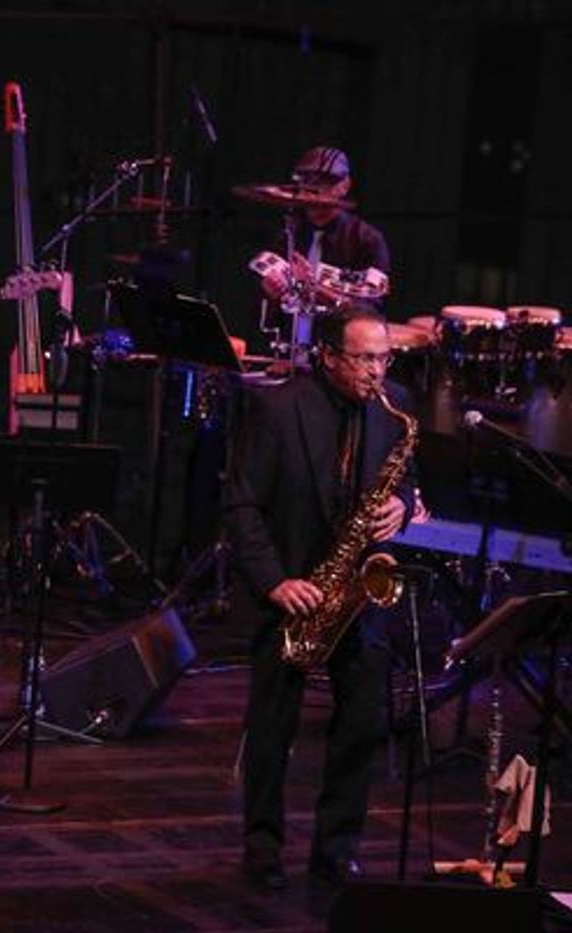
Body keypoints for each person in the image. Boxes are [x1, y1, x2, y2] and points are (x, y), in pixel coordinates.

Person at [223, 304, 415, 890]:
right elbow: (240, 505)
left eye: (384, 358)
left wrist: (402, 505)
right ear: (328, 356)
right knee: (272, 729)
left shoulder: (394, 409)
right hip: (290, 591)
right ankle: (262, 849)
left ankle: (337, 849)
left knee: (361, 727)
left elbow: (406, 481)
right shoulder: (276, 408)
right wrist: (275, 581)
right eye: (364, 359)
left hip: (357, 592)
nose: (376, 372)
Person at [259, 146, 391, 309]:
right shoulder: (289, 231)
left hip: (338, 325)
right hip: (290, 324)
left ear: (345, 185)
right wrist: (271, 289)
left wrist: (317, 292)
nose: (313, 190)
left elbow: (371, 309)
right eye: (306, 181)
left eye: (324, 182)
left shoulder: (366, 239)